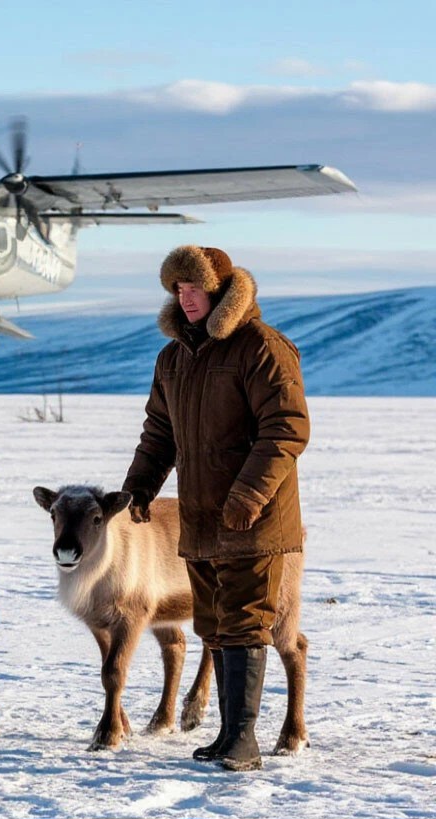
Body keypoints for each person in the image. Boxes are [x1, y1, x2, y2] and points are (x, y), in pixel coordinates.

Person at [122, 245, 310, 772]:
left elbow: (287, 428)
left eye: (194, 288)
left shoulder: (262, 347)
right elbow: (159, 433)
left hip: (256, 518)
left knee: (248, 622)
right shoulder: (174, 358)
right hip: (200, 518)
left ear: (222, 290)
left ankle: (242, 740)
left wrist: (249, 495)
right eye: (177, 290)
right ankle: (228, 735)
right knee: (215, 625)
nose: (185, 299)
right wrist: (138, 488)